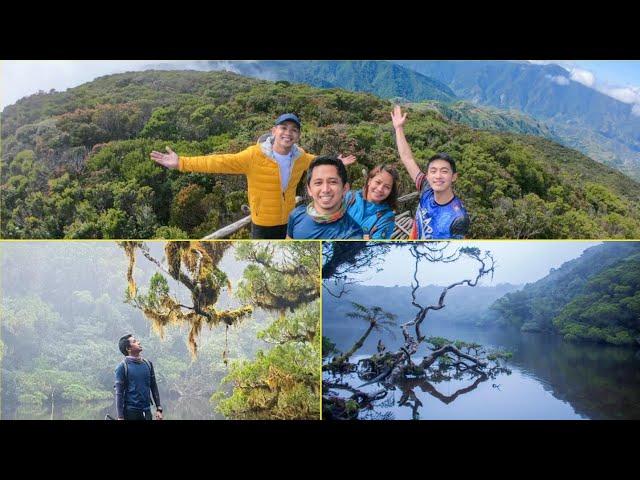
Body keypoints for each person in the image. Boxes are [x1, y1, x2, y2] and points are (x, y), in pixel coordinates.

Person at [150, 113, 355, 239]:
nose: (288, 133)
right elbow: (219, 162)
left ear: (298, 135)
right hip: (263, 223)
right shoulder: (253, 155)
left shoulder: (301, 157)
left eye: (294, 130)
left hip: (290, 221)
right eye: (283, 128)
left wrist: (338, 163)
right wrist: (181, 163)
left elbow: (320, 162)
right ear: (274, 130)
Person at [391, 105, 470, 239]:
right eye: (433, 171)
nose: (438, 176)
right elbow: (407, 159)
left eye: (444, 171)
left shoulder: (458, 218)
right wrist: (398, 128)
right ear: (427, 176)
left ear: (454, 177)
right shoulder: (426, 187)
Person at [287, 156, 364, 239]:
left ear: (345, 189)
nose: (325, 189)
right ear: (309, 189)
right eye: (318, 183)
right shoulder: (297, 214)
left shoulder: (352, 232)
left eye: (333, 182)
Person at [115, 334, 163, 421]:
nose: (138, 342)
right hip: (131, 412)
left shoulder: (148, 364)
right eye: (134, 341)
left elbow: (153, 386)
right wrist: (120, 417)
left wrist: (159, 409)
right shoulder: (122, 367)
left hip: (147, 411)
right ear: (128, 349)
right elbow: (119, 394)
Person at [344, 164, 398, 239]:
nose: (380, 189)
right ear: (369, 181)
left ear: (390, 191)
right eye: (378, 182)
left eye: (387, 187)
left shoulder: (387, 218)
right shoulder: (349, 198)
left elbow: (373, 246)